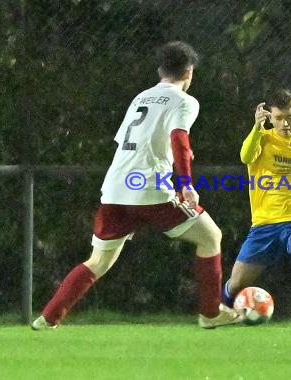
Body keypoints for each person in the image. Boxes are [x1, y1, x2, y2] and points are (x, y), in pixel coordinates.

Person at [32, 41, 241, 330]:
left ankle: (47, 319)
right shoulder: (184, 101)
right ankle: (210, 313)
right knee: (210, 237)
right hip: (151, 189)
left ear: (160, 70)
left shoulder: (141, 97)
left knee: (97, 262)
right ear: (190, 73)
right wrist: (185, 184)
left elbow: (127, 143)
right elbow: (179, 138)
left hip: (116, 189)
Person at [221, 89, 291, 318]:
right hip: (265, 223)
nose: (285, 124)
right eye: (279, 118)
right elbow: (245, 156)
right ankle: (219, 313)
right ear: (270, 117)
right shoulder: (261, 139)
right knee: (237, 282)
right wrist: (256, 128)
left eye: (289, 118)